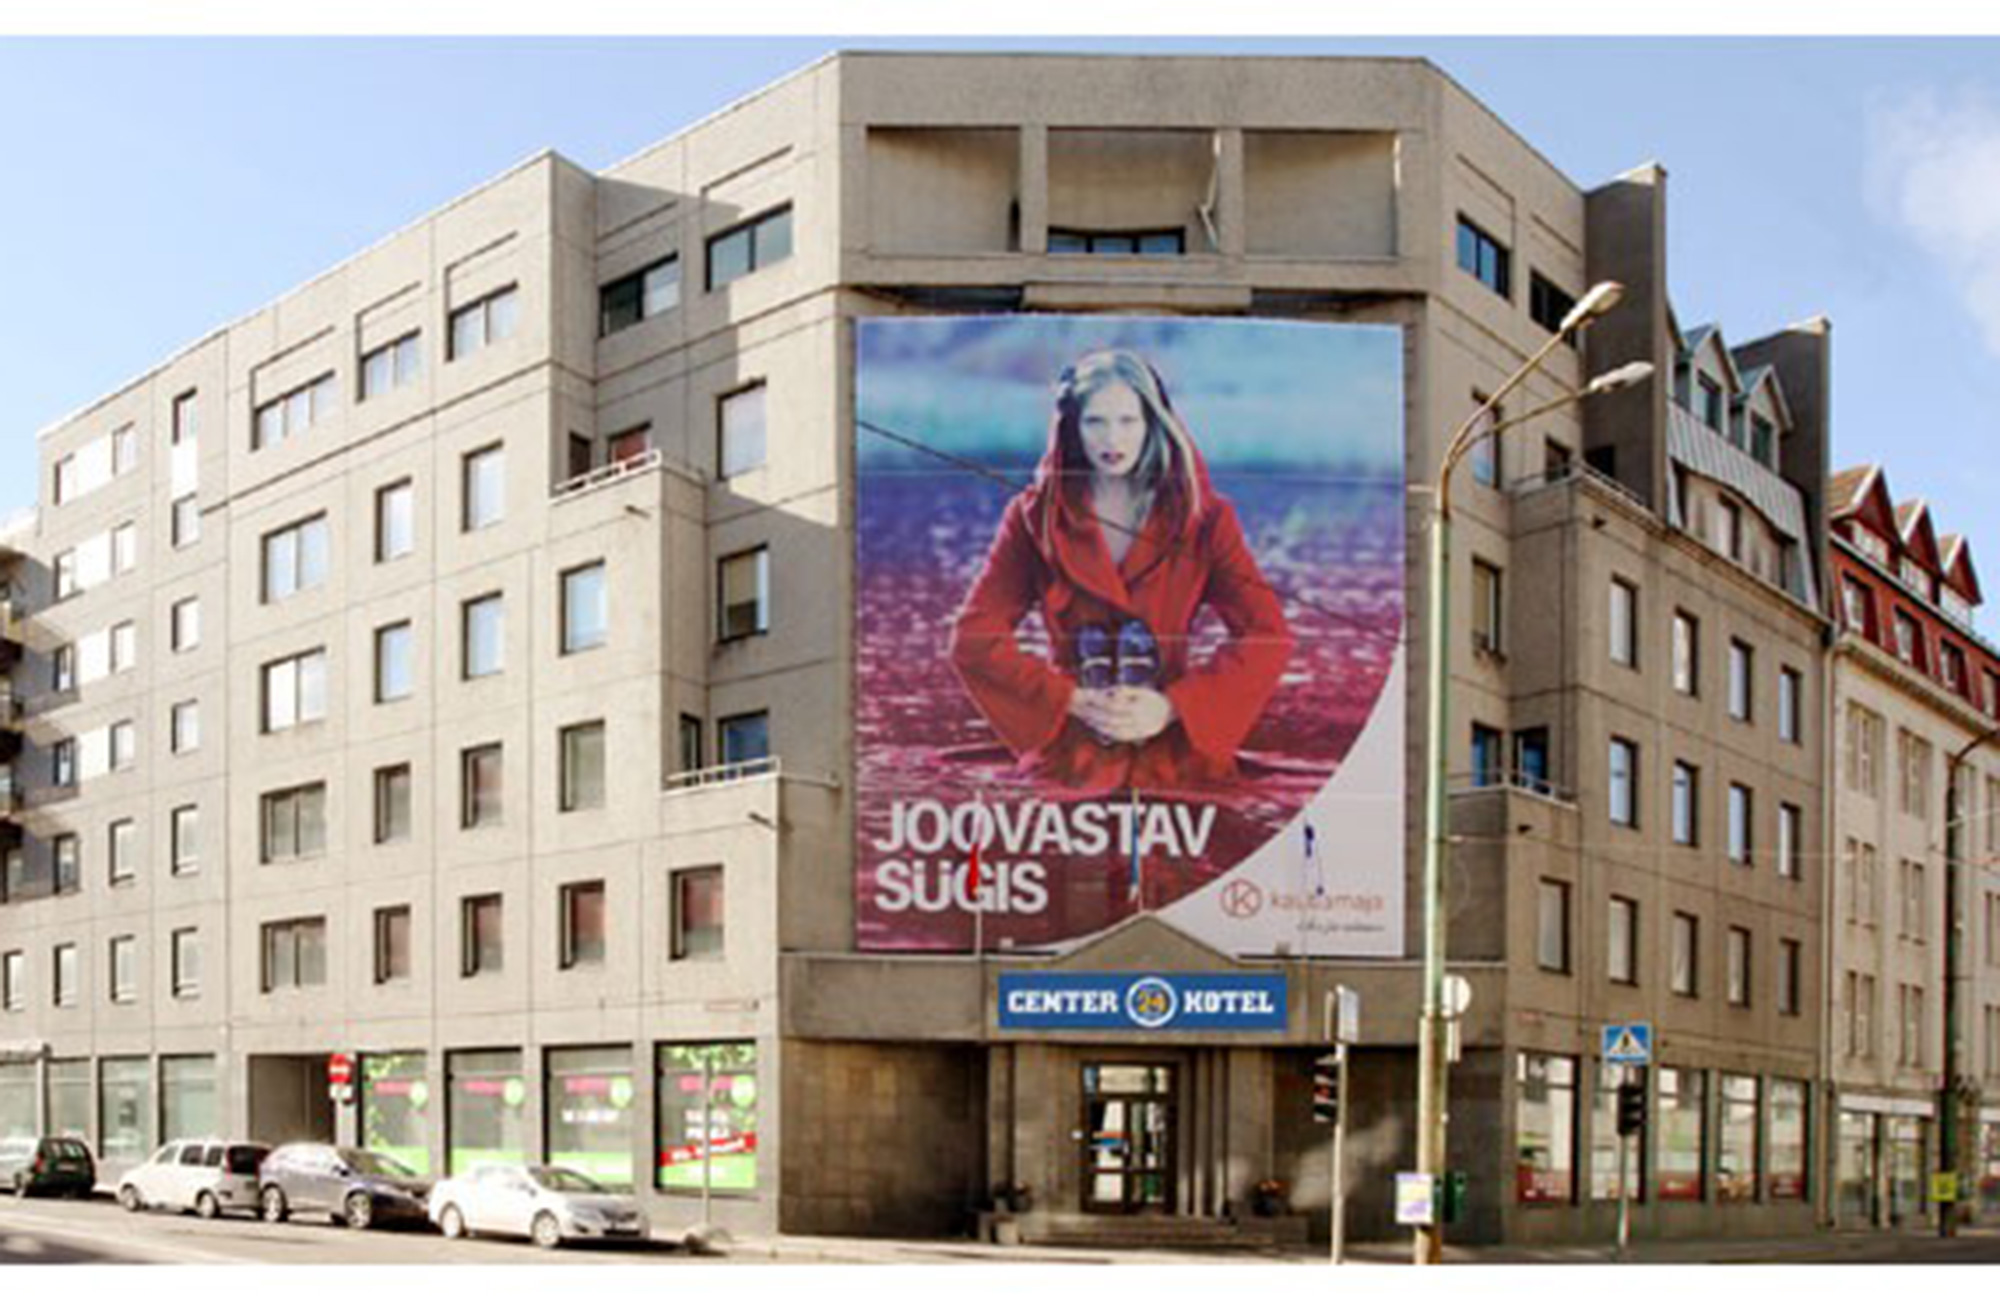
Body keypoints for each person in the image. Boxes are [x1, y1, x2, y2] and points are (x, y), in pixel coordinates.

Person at [948, 348, 1294, 793]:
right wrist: (1069, 701)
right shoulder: (1033, 517)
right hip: (1072, 753)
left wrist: (1173, 707)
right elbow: (973, 639)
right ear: (1073, 426)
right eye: (1096, 422)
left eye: (1128, 421)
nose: (1113, 439)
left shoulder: (1205, 517)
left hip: (1176, 751)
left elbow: (1268, 635)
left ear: (1152, 423)